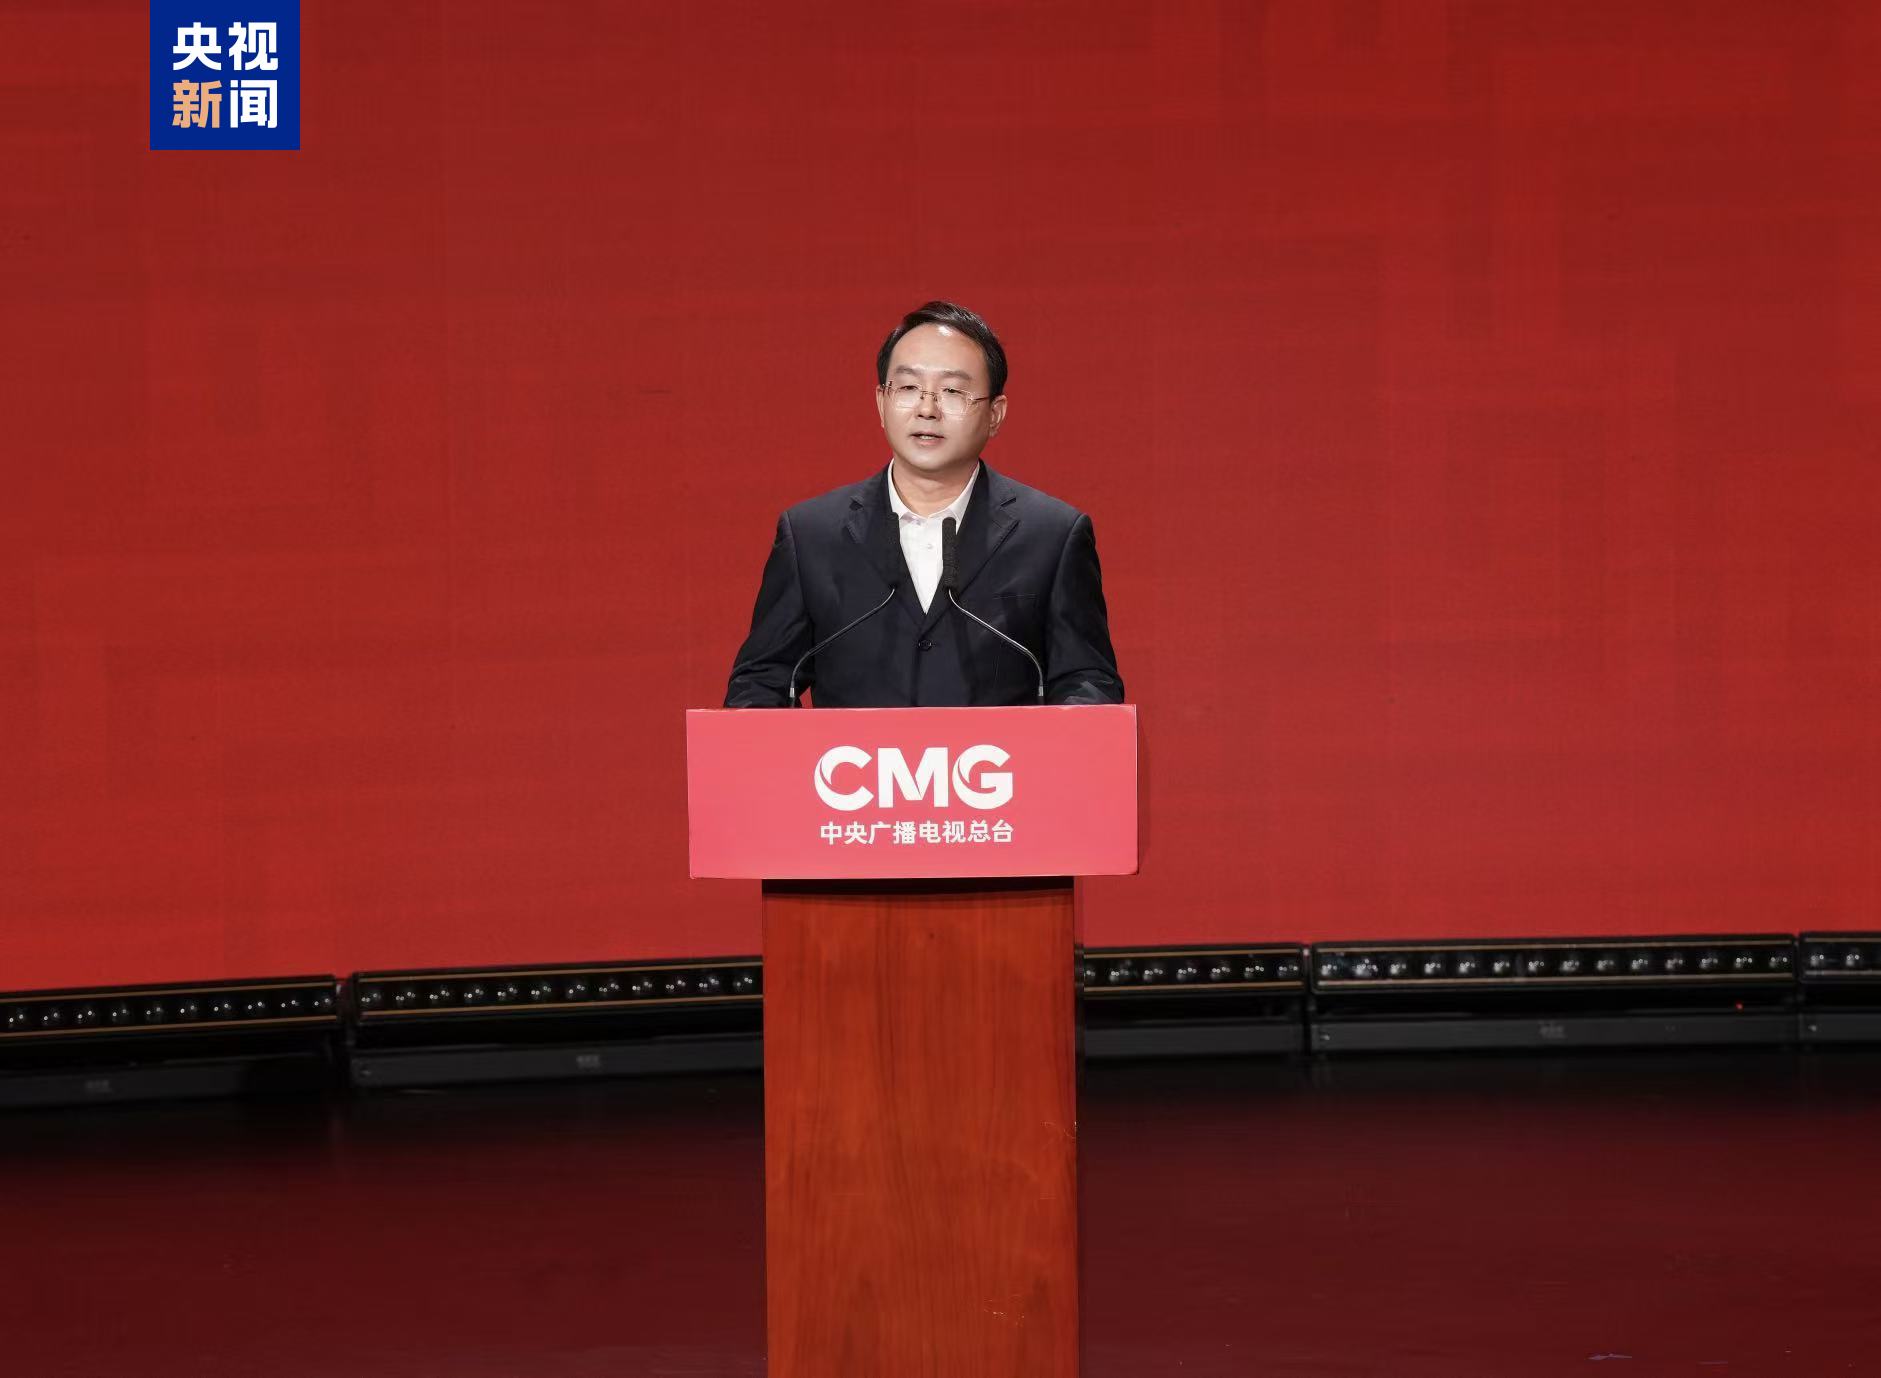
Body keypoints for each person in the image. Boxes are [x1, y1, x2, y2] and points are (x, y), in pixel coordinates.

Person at [724, 300, 1124, 708]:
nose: (927, 409)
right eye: (908, 388)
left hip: (996, 754)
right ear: (881, 402)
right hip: (856, 754)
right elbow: (761, 684)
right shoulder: (812, 535)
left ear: (995, 414)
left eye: (952, 391)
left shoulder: (1052, 535)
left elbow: (1087, 683)